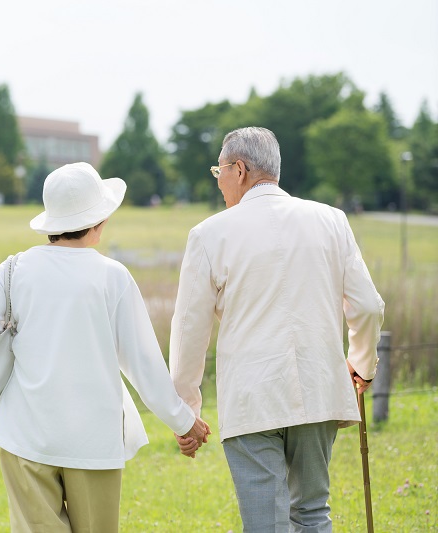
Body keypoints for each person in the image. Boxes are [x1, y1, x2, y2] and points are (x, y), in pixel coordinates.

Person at [0, 162, 210, 533]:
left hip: (24, 433)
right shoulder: (112, 277)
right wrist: (185, 422)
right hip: (93, 442)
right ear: (100, 221)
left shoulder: (14, 269)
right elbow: (143, 364)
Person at [169, 127, 385, 532]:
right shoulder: (331, 220)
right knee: (312, 513)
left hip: (254, 399)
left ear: (240, 169)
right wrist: (361, 364)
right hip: (320, 389)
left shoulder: (209, 234)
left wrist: (185, 411)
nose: (218, 180)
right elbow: (369, 305)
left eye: (219, 170)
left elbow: (188, 331)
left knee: (266, 524)